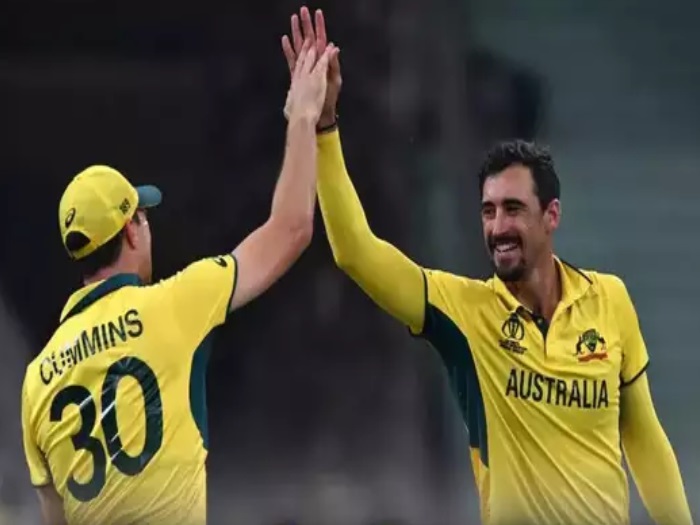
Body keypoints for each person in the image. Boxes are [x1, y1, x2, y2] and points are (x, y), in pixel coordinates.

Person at [281, 10, 693, 525]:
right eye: (488, 211)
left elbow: (644, 437)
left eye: (513, 209)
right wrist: (323, 127)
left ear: (551, 215)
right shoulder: (464, 313)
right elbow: (355, 251)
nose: (498, 227)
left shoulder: (609, 300)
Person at [20, 35, 337, 525]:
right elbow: (292, 227)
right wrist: (303, 115)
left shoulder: (36, 380)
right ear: (131, 230)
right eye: (143, 216)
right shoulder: (175, 304)